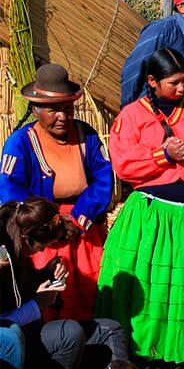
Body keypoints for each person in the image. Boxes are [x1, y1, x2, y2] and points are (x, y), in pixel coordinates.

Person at [96, 48, 184, 363]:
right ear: (152, 81)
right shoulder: (132, 115)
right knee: (152, 288)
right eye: (174, 82)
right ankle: (146, 350)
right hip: (151, 218)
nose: (182, 88)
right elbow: (124, 163)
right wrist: (163, 155)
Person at [0, 64, 113, 321]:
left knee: (90, 288)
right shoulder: (20, 143)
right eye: (53, 109)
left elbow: (104, 180)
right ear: (36, 110)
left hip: (83, 228)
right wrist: (47, 223)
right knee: (51, 292)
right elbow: (9, 190)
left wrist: (78, 219)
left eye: (67, 108)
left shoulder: (87, 136)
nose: (62, 116)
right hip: (41, 235)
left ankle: (95, 346)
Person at [0, 197, 133, 369]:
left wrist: (47, 273)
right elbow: (5, 325)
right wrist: (37, 305)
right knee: (70, 333)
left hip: (33, 337)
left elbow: (23, 289)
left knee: (110, 329)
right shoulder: (4, 261)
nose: (43, 251)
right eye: (42, 247)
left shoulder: (20, 257)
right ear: (27, 239)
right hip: (16, 348)